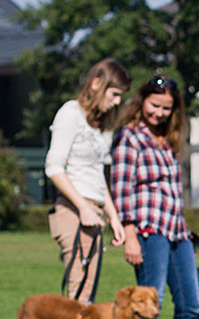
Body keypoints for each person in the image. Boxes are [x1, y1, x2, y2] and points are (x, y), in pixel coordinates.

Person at [111, 75, 199, 319]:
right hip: (147, 230)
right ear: (142, 101)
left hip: (176, 231)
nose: (160, 113)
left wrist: (186, 231)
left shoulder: (169, 140)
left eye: (167, 108)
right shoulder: (130, 137)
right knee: (152, 304)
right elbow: (122, 187)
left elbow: (172, 191)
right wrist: (130, 234)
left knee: (191, 302)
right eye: (155, 105)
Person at [45, 58, 132, 304]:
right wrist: (82, 207)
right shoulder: (70, 113)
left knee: (88, 292)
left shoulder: (96, 124)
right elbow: (53, 168)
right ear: (96, 83)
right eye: (114, 94)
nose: (117, 102)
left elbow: (96, 174)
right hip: (73, 211)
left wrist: (112, 215)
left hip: (93, 212)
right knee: (78, 292)